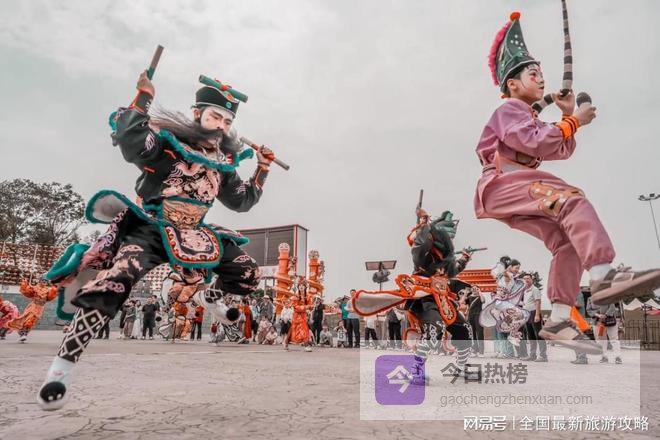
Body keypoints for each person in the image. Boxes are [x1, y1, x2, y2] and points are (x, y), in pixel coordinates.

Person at [39, 68, 275, 410]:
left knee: (247, 271)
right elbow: (133, 143)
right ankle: (61, 370)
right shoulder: (168, 144)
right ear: (197, 114)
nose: (221, 125)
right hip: (152, 226)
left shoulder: (224, 163)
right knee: (117, 279)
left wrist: (262, 168)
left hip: (195, 232)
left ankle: (210, 297)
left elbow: (241, 201)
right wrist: (144, 97)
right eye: (215, 116)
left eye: (227, 121)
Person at [475, 10, 660, 354]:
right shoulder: (510, 111)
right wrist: (573, 120)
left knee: (566, 242)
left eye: (542, 75)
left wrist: (565, 116)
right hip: (503, 184)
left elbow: (558, 148)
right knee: (571, 199)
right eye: (534, 74)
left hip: (513, 192)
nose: (541, 81)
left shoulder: (527, 116)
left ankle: (559, 317)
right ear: (512, 84)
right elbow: (535, 142)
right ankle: (603, 276)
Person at [520, 272, 547, 362]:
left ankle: (543, 356)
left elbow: (538, 302)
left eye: (528, 278)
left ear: (532, 280)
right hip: (527, 314)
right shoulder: (525, 291)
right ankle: (532, 355)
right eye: (524, 279)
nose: (526, 280)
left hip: (534, 313)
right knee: (530, 335)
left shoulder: (535, 289)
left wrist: (537, 315)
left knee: (538, 335)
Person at [587, 297, 622, 364]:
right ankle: (604, 357)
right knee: (601, 340)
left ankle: (618, 357)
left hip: (610, 320)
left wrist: (605, 315)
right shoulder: (590, 299)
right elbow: (589, 310)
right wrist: (598, 315)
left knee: (614, 339)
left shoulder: (607, 295)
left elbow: (612, 307)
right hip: (597, 322)